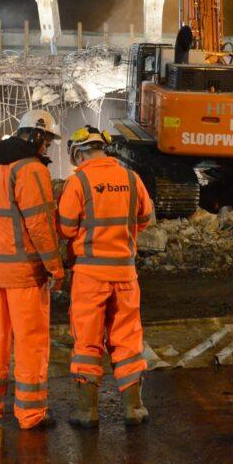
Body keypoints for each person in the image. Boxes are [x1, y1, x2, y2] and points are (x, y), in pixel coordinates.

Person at [0, 109, 64, 430]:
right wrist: (55, 268)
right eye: (46, 141)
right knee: (31, 342)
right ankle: (31, 414)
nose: (46, 148)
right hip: (25, 275)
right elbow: (41, 226)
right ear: (35, 135)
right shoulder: (30, 171)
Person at [57, 125, 154, 428]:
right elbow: (144, 219)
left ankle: (87, 411)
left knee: (87, 341)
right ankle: (134, 408)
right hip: (125, 274)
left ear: (78, 152)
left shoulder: (79, 182)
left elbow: (66, 228)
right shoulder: (131, 178)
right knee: (127, 338)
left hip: (89, 276)